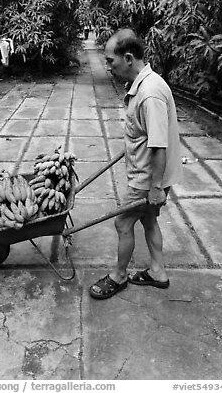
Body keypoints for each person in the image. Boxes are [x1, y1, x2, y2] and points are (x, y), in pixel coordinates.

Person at [89, 28, 182, 300]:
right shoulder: (147, 83)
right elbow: (146, 134)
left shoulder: (150, 93)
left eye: (110, 60)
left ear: (128, 58)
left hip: (147, 178)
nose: (108, 66)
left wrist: (154, 188)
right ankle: (158, 272)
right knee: (149, 221)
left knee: (123, 224)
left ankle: (118, 276)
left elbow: (158, 145)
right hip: (150, 174)